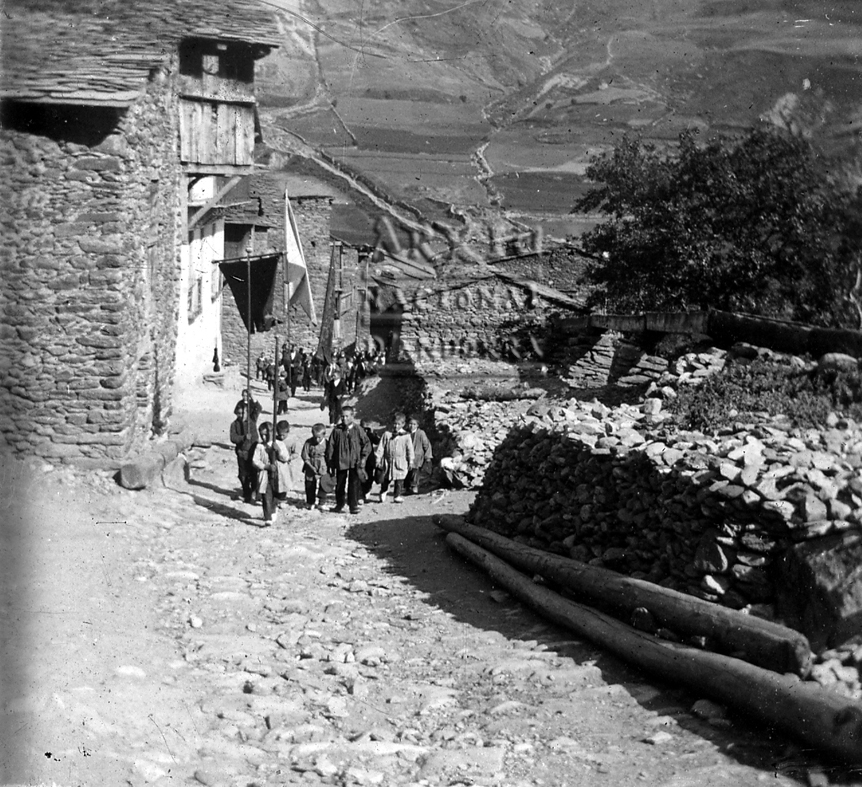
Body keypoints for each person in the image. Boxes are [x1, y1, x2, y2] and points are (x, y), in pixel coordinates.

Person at [325, 405, 370, 514]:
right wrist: (330, 462)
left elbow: (366, 443)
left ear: (352, 416)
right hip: (341, 462)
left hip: (355, 462)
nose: (344, 419)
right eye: (342, 416)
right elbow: (331, 446)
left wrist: (363, 457)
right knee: (340, 484)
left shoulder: (358, 429)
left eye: (347, 416)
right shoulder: (337, 430)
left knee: (354, 484)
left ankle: (353, 506)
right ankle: (339, 504)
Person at [375, 412, 414, 504]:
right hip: (388, 461)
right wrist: (378, 458)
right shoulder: (387, 434)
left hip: (400, 461)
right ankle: (383, 491)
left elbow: (410, 449)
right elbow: (381, 447)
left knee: (399, 480)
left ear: (403, 424)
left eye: (398, 424)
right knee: (386, 478)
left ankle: (397, 495)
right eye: (394, 424)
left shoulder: (406, 436)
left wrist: (410, 461)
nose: (396, 426)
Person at [229, 402, 256, 504]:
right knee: (242, 475)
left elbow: (255, 438)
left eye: (242, 413)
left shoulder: (251, 424)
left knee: (253, 474)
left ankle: (254, 491)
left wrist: (250, 440)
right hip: (241, 452)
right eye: (238, 413)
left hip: (251, 453)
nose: (240, 415)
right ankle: (246, 492)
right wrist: (243, 438)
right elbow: (233, 438)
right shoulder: (234, 424)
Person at [251, 422, 277, 525]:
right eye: (261, 435)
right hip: (265, 474)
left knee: (276, 494)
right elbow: (255, 460)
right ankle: (267, 517)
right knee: (266, 495)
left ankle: (273, 509)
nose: (264, 437)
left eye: (266, 434)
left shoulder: (277, 444)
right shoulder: (259, 446)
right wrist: (265, 466)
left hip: (277, 475)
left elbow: (284, 457)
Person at [301, 423, 330, 509]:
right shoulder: (308, 442)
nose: (317, 439)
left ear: (324, 435)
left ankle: (322, 502)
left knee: (324, 484)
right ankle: (310, 502)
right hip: (310, 464)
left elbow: (329, 455)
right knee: (309, 484)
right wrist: (310, 466)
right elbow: (304, 455)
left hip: (322, 465)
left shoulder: (327, 443)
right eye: (315, 437)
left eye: (319, 437)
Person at [272, 420, 299, 511]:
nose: (281, 437)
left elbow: (296, 453)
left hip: (286, 465)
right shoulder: (275, 440)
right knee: (276, 481)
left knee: (285, 482)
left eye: (283, 435)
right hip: (276, 464)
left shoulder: (291, 441)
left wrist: (290, 457)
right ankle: (275, 497)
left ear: (288, 432)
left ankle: (282, 499)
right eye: (280, 435)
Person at [406, 416, 433, 494]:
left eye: (414, 424)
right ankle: (407, 487)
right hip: (407, 456)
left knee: (415, 471)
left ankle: (415, 486)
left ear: (417, 425)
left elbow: (426, 444)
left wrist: (428, 456)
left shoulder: (421, 433)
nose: (412, 426)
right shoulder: (406, 433)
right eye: (410, 424)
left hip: (417, 456)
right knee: (407, 472)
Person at [359, 419, 379, 505]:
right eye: (364, 428)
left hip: (370, 460)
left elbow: (377, 441)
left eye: (367, 429)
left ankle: (367, 490)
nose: (366, 431)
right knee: (361, 477)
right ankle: (361, 494)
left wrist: (374, 434)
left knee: (370, 477)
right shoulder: (358, 435)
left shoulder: (370, 435)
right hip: (361, 458)